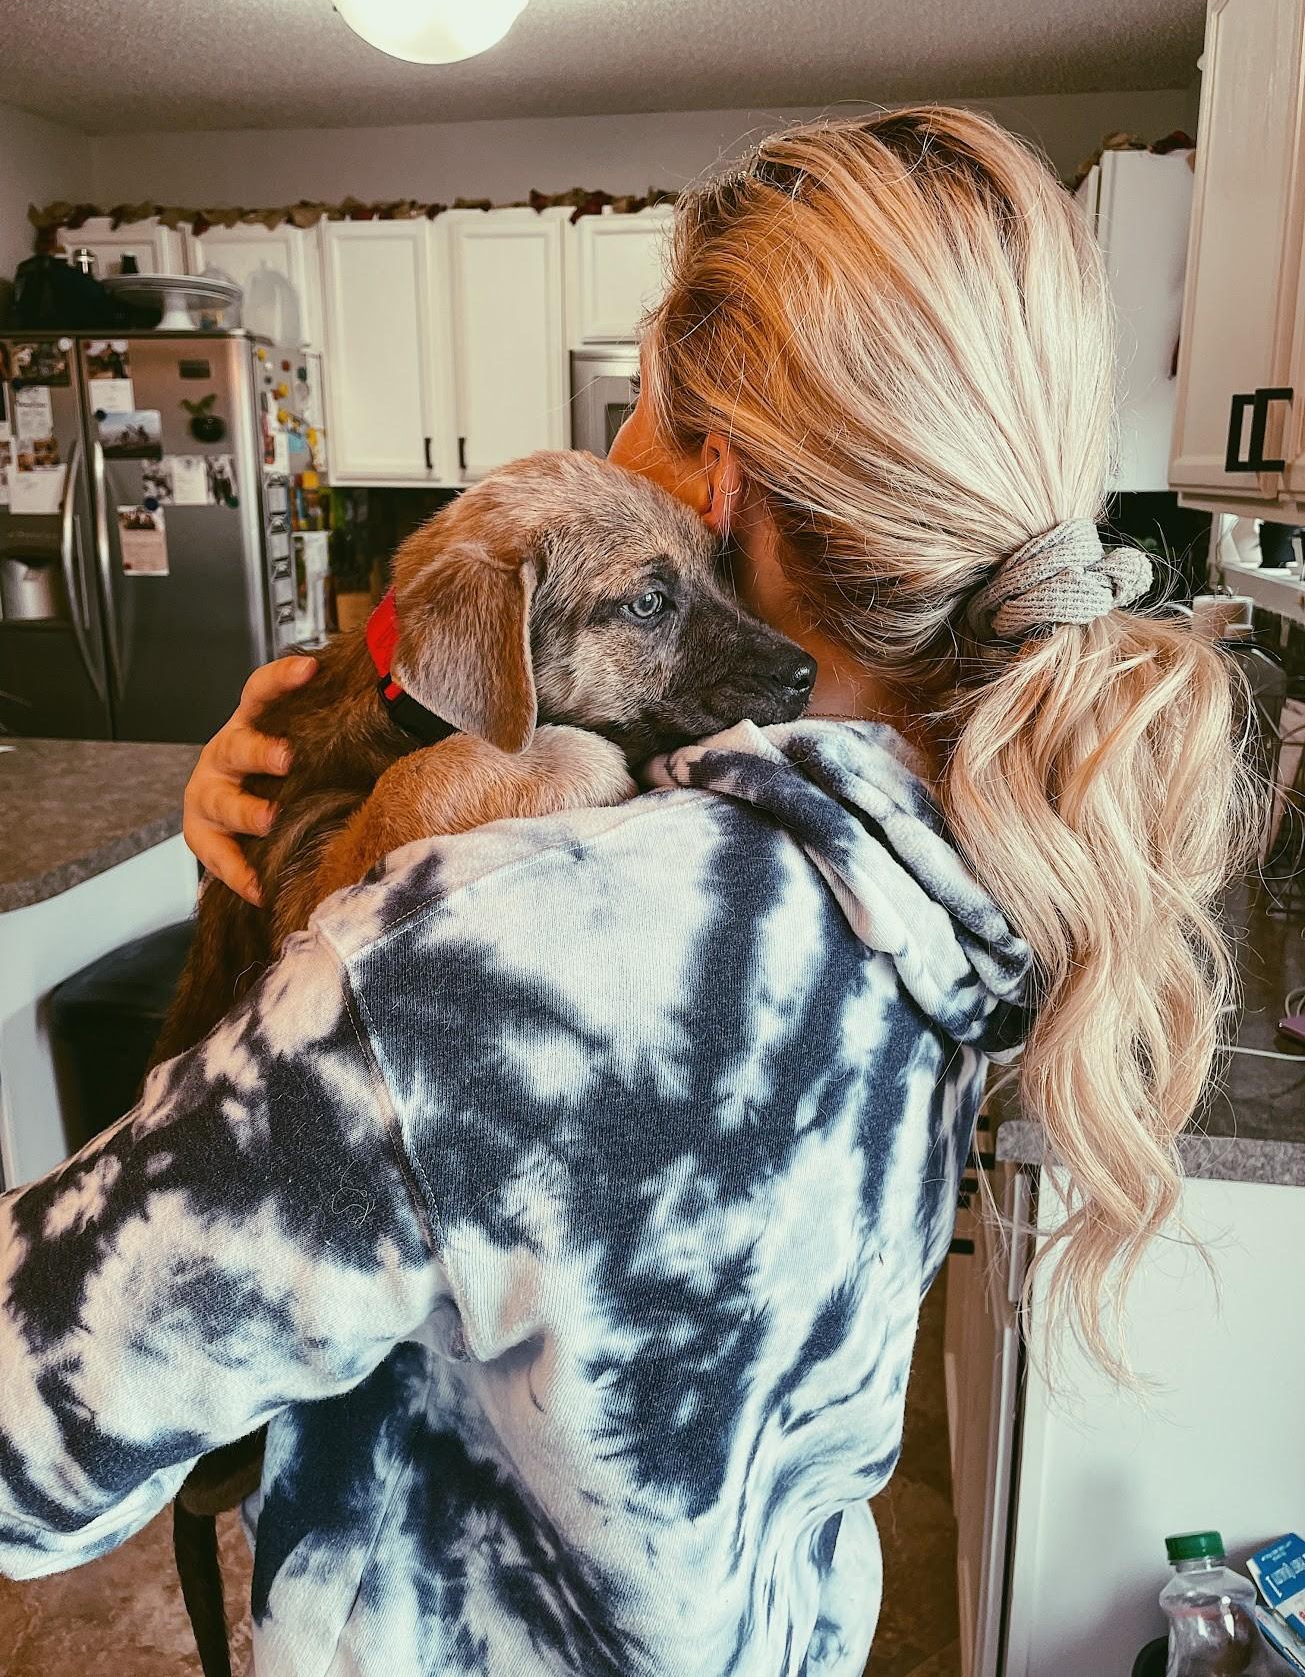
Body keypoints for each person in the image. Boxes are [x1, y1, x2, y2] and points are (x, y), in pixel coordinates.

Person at [0, 109, 1251, 1675]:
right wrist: (315, 845)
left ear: (707, 478)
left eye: (638, 422)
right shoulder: (983, 839)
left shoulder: (477, 946)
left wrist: (345, 922)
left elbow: (25, 1440)